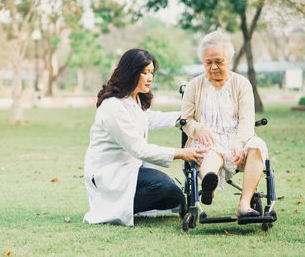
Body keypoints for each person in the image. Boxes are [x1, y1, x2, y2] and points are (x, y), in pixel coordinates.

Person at [83, 48, 205, 226]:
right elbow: (138, 149)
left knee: (176, 198)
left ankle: (125, 206)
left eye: (152, 73)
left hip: (129, 170)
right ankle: (111, 210)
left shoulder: (134, 99)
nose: (150, 78)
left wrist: (184, 117)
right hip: (110, 172)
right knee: (161, 184)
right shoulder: (113, 107)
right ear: (131, 72)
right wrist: (182, 153)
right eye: (145, 72)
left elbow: (151, 118)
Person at [181, 31, 269, 217]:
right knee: (212, 154)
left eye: (218, 61)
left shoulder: (242, 84)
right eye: (208, 62)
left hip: (237, 138)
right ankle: (209, 187)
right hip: (207, 139)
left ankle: (244, 205)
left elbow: (246, 120)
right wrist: (200, 128)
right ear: (203, 62)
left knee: (257, 147)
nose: (213, 67)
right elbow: (186, 121)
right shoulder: (194, 86)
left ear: (229, 60)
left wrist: (239, 142)